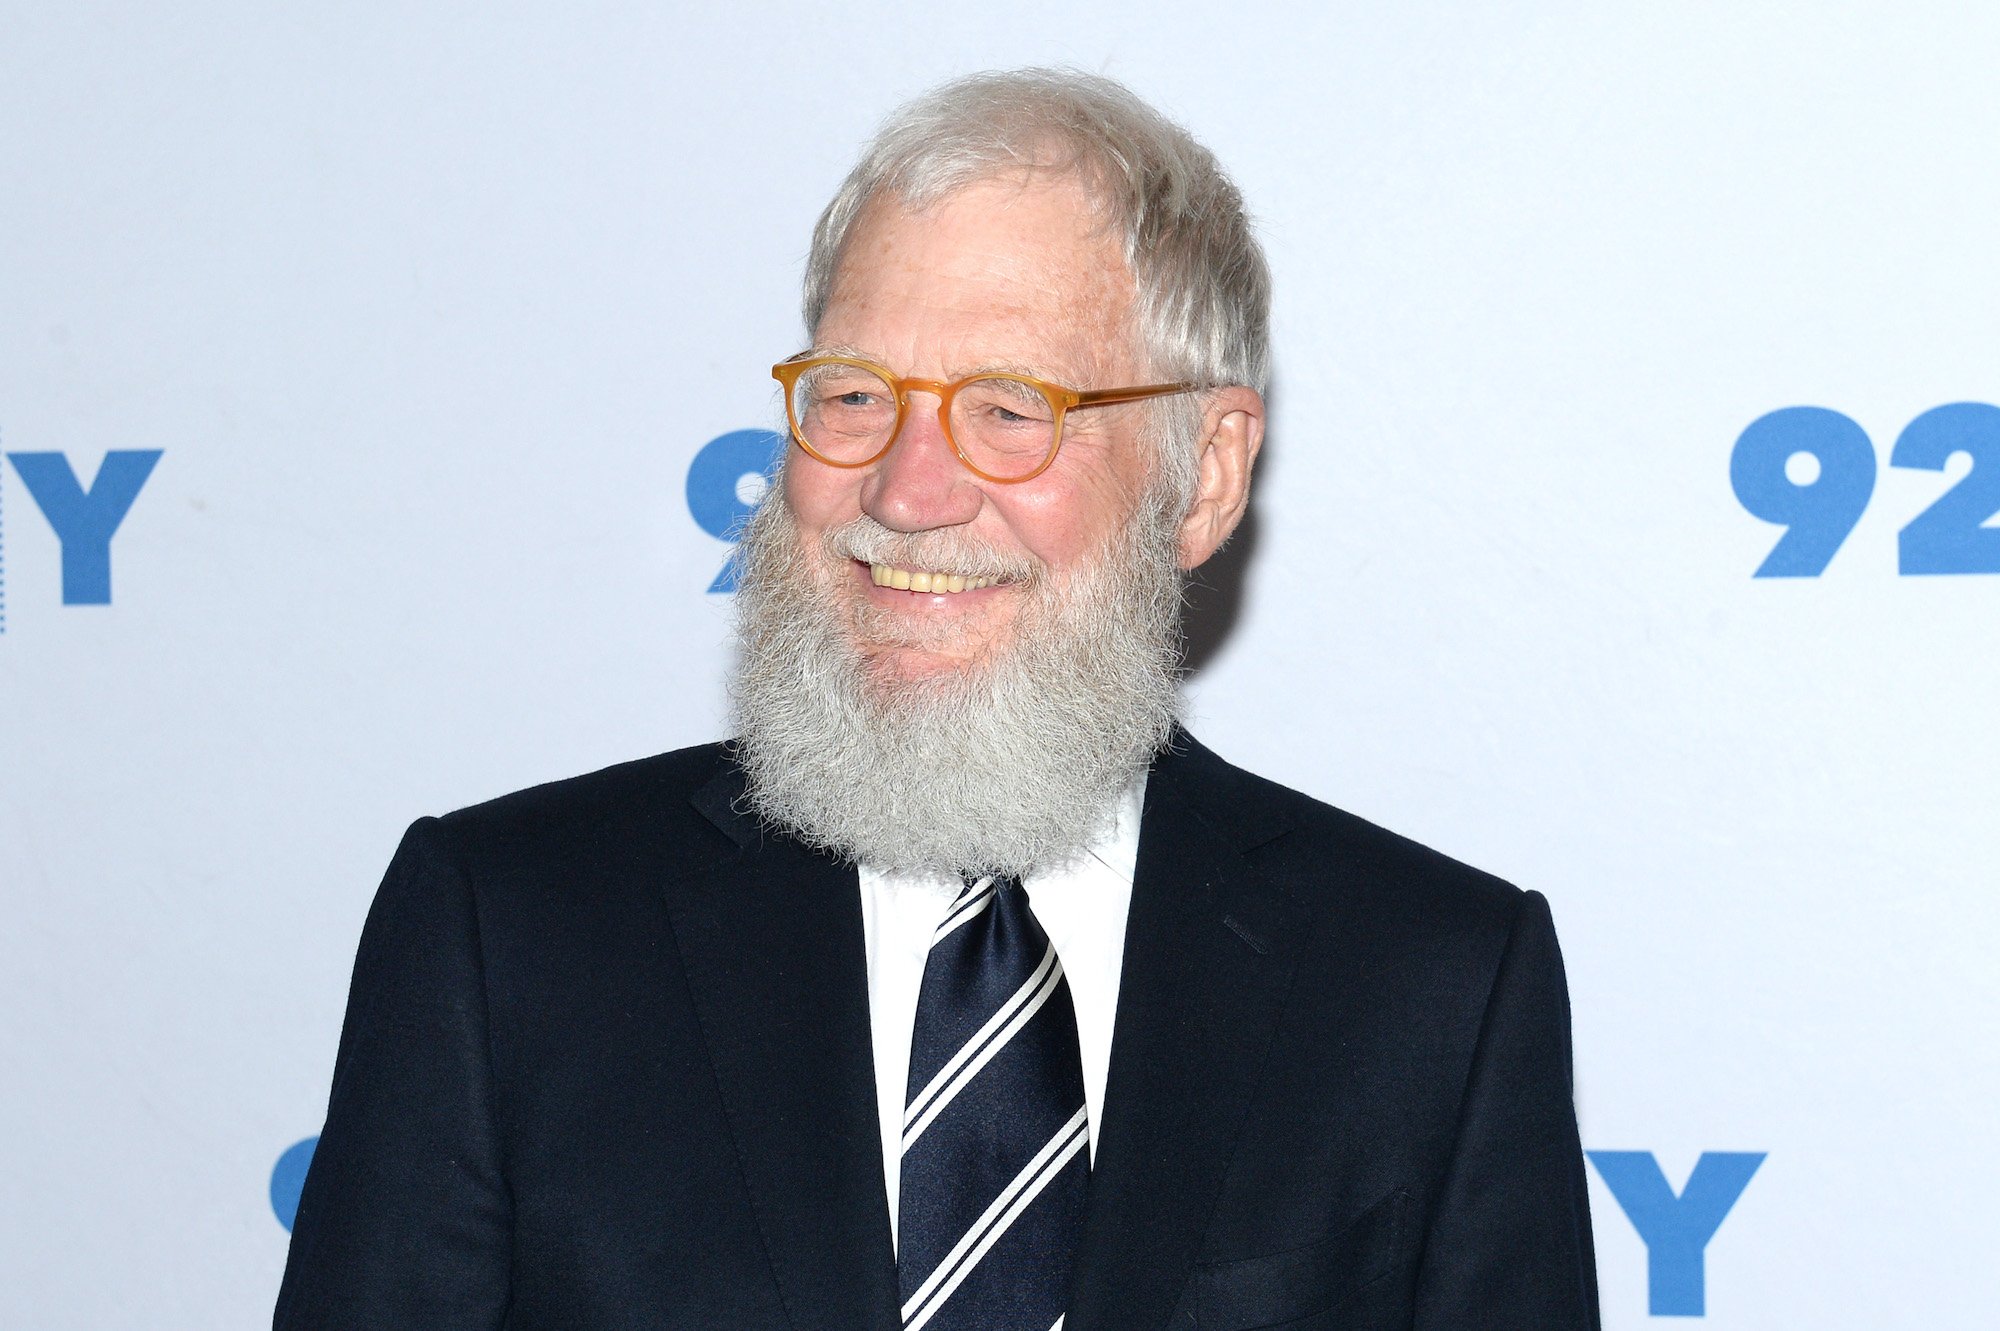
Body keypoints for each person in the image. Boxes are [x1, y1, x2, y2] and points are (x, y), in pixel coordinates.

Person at [275, 68, 1599, 1331]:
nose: (906, 495)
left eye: (1010, 411)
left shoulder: (1431, 987)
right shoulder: (506, 936)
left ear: (1204, 475)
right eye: (852, 396)